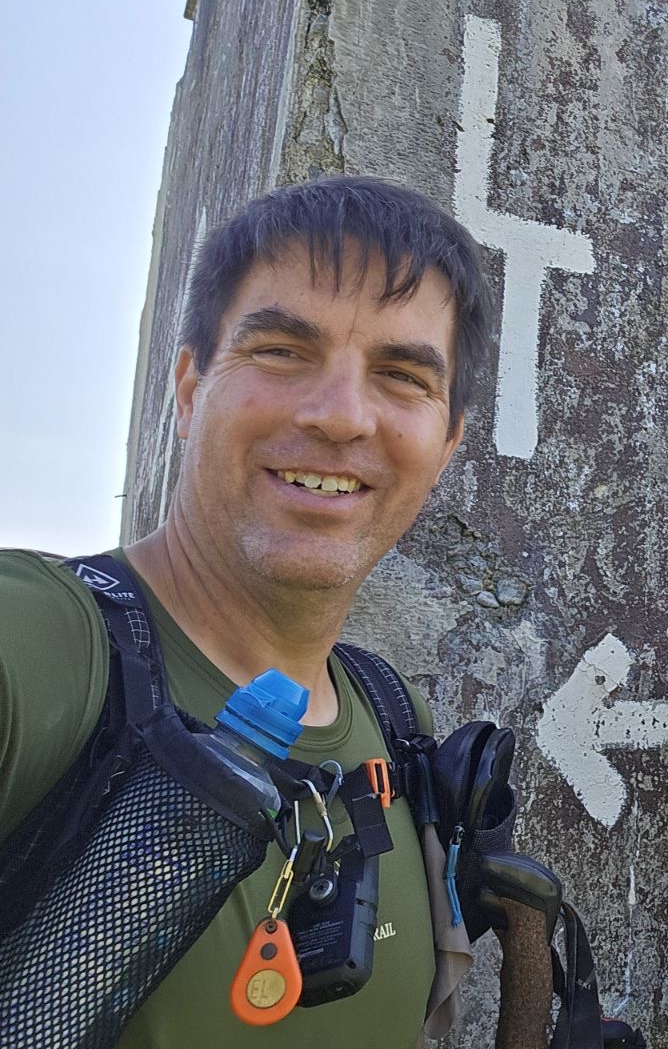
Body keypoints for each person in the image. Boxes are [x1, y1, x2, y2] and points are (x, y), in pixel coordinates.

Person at [0, 176, 495, 1045]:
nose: (340, 416)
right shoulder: (49, 652)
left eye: (402, 376)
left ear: (448, 443)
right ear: (189, 387)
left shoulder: (394, 723)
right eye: (280, 352)